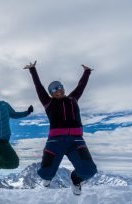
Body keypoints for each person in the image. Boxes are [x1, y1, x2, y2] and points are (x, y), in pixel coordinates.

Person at [23, 60, 97, 195]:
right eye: (54, 89)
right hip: (55, 142)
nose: (58, 90)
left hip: (76, 141)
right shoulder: (48, 103)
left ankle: (76, 179)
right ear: (51, 93)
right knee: (45, 172)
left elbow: (81, 85)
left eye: (60, 87)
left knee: (89, 171)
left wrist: (86, 72)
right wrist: (33, 70)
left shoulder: (73, 99)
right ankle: (47, 177)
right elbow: (38, 86)